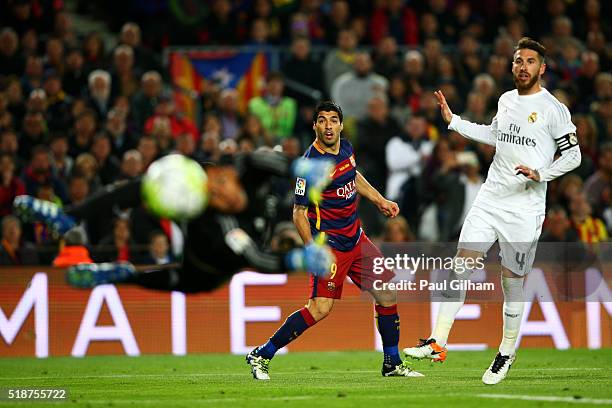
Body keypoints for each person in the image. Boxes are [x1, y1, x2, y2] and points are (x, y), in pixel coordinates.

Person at [404, 38, 581, 385]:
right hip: (490, 199)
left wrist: (541, 174)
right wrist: (454, 121)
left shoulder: (553, 109)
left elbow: (573, 156)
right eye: (518, 61)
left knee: (511, 283)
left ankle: (506, 352)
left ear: (542, 68)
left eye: (530, 61)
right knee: (460, 266)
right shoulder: (505, 100)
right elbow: (495, 135)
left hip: (524, 209)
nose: (523, 67)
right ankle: (438, 341)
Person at [246, 101, 423, 380]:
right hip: (330, 247)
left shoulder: (346, 148)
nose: (328, 126)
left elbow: (353, 175)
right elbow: (298, 213)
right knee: (319, 308)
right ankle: (262, 354)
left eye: (333, 120)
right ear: (315, 125)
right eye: (322, 120)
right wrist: (311, 249)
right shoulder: (310, 165)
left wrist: (379, 200)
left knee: (387, 293)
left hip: (356, 238)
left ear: (341, 125)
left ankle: (392, 363)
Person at [13, 151, 334, 293]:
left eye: (222, 185)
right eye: (214, 197)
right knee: (148, 185)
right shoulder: (226, 226)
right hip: (207, 256)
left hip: (215, 266)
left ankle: (121, 274)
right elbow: (254, 258)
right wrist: (296, 259)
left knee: (175, 281)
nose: (223, 196)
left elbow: (260, 159)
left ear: (227, 175)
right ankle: (70, 215)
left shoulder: (246, 170)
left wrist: (299, 167)